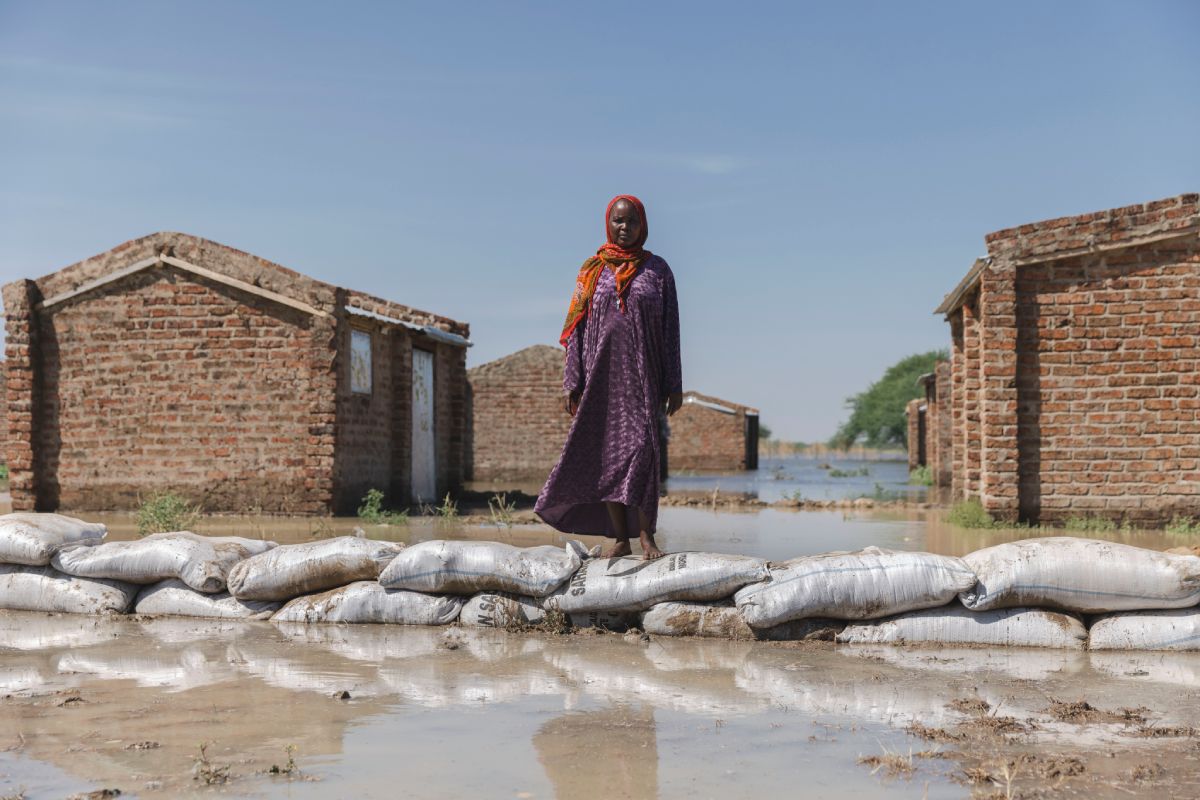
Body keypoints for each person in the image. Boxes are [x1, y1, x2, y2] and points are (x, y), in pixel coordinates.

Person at [535, 195, 683, 559]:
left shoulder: (658, 271)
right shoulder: (592, 271)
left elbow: (671, 329)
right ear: (608, 223)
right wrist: (573, 380)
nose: (624, 227)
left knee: (642, 452)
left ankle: (647, 536)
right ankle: (621, 537)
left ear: (642, 225)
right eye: (618, 221)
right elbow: (575, 330)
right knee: (607, 457)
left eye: (631, 221)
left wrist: (673, 383)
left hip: (643, 379)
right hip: (601, 380)